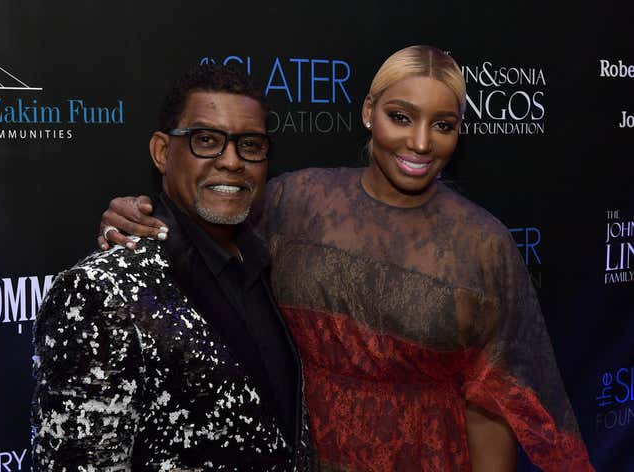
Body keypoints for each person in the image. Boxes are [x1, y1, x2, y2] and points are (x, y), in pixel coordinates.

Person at [97, 46, 594, 471]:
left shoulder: (484, 243)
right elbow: (203, 228)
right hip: (303, 453)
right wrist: (134, 215)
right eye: (401, 116)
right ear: (367, 112)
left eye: (443, 125)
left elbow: (493, 402)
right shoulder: (293, 200)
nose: (420, 143)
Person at [31, 64, 311, 471]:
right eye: (207, 140)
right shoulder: (101, 291)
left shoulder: (269, 263)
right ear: (163, 152)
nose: (231, 161)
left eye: (250, 144)